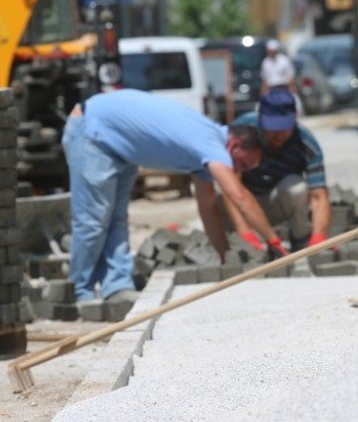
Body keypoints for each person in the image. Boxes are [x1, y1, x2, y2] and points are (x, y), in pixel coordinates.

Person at [63, 89, 287, 319]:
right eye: (242, 164)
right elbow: (239, 196)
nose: (238, 171)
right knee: (94, 219)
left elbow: (207, 207)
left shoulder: (206, 151)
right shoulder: (211, 144)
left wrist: (224, 257)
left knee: (117, 219)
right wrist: (273, 241)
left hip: (120, 146)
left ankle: (117, 287)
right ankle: (80, 293)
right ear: (235, 145)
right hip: (92, 129)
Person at [226, 88, 331, 251]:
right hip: (242, 206)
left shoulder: (307, 145)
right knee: (221, 184)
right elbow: (230, 187)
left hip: (275, 204)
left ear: (295, 119)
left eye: (284, 128)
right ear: (260, 118)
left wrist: (319, 236)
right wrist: (245, 233)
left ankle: (301, 239)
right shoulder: (241, 133)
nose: (277, 134)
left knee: (296, 188)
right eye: (272, 127)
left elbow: (319, 196)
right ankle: (234, 241)